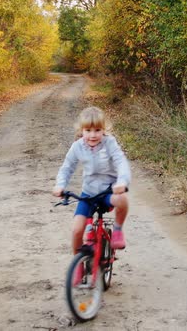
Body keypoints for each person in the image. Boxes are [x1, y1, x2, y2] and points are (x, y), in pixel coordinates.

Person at [52, 106, 131, 256]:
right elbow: (67, 167)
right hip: (88, 193)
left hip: (109, 190)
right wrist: (60, 185)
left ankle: (118, 230)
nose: (93, 135)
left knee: (122, 199)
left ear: (104, 129)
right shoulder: (77, 147)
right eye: (88, 131)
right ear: (81, 130)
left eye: (97, 130)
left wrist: (122, 182)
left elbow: (121, 162)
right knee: (76, 230)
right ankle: (78, 264)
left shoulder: (110, 143)